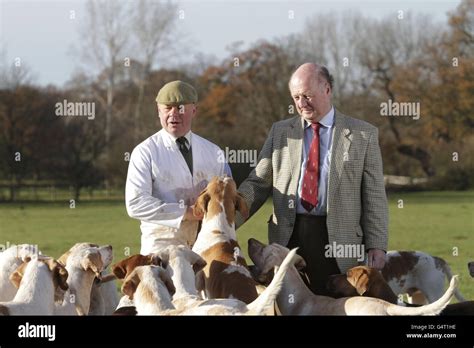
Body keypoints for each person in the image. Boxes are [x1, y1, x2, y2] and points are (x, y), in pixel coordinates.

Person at [237, 63, 388, 296]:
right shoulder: (280, 132)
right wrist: (224, 220)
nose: (301, 103)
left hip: (339, 243)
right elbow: (258, 184)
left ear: (327, 89)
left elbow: (374, 195)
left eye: (307, 95)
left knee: (336, 307)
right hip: (288, 236)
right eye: (296, 97)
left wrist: (377, 245)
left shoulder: (363, 134)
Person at [125, 80, 230, 255]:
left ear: (194, 111)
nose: (174, 114)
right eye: (167, 108)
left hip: (207, 245)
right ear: (159, 112)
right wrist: (186, 212)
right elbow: (136, 203)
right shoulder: (145, 152)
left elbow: (227, 193)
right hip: (161, 248)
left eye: (180, 108)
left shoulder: (213, 151)